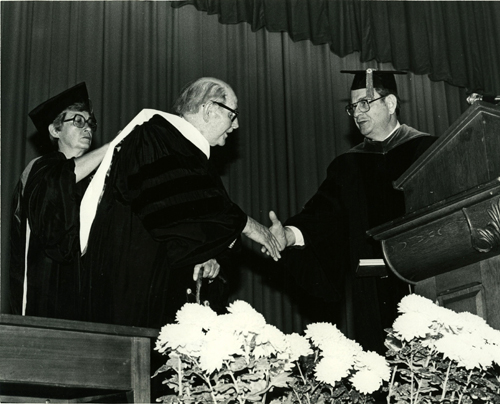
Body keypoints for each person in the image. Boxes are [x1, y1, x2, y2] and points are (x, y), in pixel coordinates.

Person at [80, 77, 282, 330]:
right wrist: (250, 227)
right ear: (209, 109)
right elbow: (172, 206)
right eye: (233, 114)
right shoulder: (154, 135)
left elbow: (189, 218)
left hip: (162, 285)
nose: (237, 124)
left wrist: (210, 257)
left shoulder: (189, 153)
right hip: (134, 287)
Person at [266, 69, 438, 354]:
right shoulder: (348, 165)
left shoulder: (429, 150)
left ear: (391, 104)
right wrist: (288, 235)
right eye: (352, 107)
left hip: (428, 280)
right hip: (371, 288)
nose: (357, 113)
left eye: (364, 104)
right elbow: (323, 216)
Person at [10, 83, 109, 320]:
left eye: (90, 124)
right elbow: (61, 181)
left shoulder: (96, 178)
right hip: (45, 285)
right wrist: (109, 148)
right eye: (78, 121)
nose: (87, 128)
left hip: (85, 286)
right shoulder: (40, 168)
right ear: (55, 131)